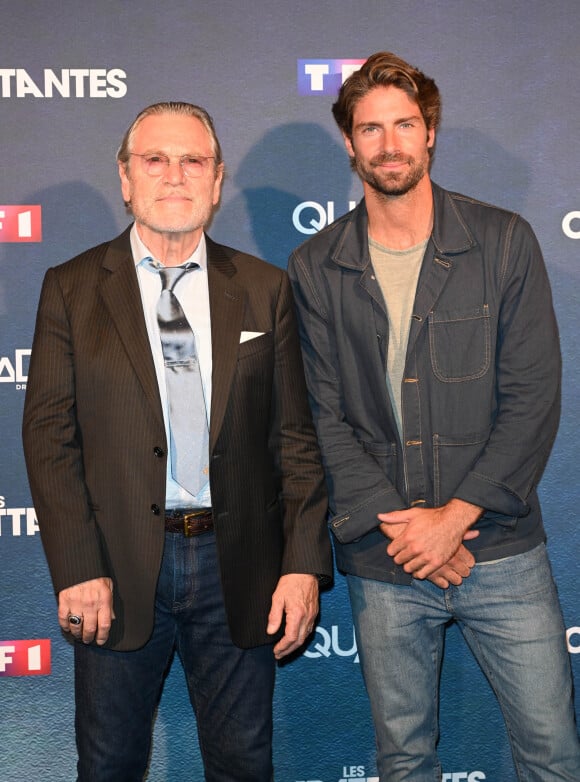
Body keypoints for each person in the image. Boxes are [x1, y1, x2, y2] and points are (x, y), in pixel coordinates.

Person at [288, 52, 580, 781]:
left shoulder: (504, 241)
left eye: (404, 125)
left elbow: (533, 398)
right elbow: (324, 415)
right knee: (405, 759)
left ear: (431, 134)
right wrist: (412, 530)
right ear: (350, 144)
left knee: (552, 752)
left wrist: (452, 520)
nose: (389, 143)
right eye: (370, 129)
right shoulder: (316, 266)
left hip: (500, 547)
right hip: (384, 557)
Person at [22, 101, 332, 782]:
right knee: (109, 764)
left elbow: (297, 442)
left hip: (239, 567)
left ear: (217, 181)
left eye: (193, 161)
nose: (174, 176)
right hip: (119, 567)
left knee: (244, 765)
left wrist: (303, 563)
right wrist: (77, 566)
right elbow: (49, 436)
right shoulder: (71, 289)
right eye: (154, 160)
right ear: (125, 178)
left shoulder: (265, 289)